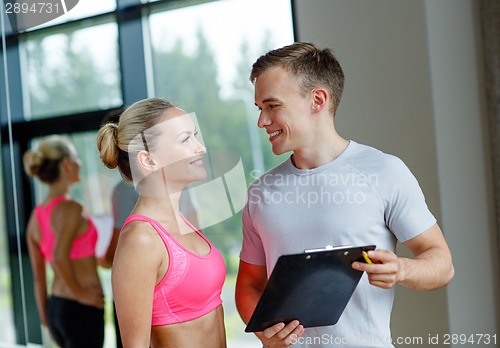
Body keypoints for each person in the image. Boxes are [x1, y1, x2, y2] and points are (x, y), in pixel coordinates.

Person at [235, 42, 455, 347]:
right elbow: (248, 285)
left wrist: (402, 268)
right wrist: (262, 331)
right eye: (260, 109)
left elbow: (442, 263)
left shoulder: (385, 171)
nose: (262, 121)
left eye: (272, 106)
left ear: (318, 100)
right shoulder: (260, 192)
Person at [96, 97, 227, 347]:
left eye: (195, 136)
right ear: (148, 160)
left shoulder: (181, 222)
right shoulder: (141, 239)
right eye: (185, 139)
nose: (200, 147)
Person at [23, 135, 105, 348]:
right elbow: (59, 257)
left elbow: (38, 275)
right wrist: (82, 294)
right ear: (66, 164)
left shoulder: (35, 217)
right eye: (76, 157)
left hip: (57, 307)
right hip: (81, 308)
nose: (79, 162)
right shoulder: (71, 208)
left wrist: (45, 317)